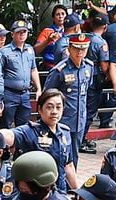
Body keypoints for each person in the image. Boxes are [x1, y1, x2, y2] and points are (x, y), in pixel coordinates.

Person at [0, 89, 76, 192]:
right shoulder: (31, 131)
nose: (54, 111)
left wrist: (76, 191)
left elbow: (68, 165)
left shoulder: (65, 132)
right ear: (40, 109)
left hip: (60, 193)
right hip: (36, 193)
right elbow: (10, 135)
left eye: (58, 107)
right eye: (49, 107)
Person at [44, 33, 95, 170]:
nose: (80, 52)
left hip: (79, 120)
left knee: (74, 155)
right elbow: (47, 96)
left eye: (83, 49)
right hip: (62, 121)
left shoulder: (89, 67)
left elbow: (86, 90)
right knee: (58, 154)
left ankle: (71, 186)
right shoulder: (59, 70)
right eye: (76, 48)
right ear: (69, 49)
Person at [80, 15, 111, 155]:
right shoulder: (101, 43)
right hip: (95, 78)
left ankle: (80, 137)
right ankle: (81, 139)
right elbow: (104, 66)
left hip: (83, 75)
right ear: (105, 27)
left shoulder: (85, 37)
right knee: (90, 111)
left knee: (82, 108)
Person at [1, 20, 40, 128]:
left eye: (24, 31)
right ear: (12, 34)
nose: (22, 34)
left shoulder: (30, 49)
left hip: (25, 94)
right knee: (5, 125)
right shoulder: (4, 51)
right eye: (19, 32)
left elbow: (33, 69)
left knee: (24, 126)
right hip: (9, 93)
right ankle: (4, 145)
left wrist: (39, 88)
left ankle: (20, 145)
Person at [34, 4, 68, 69]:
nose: (60, 16)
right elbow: (36, 50)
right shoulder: (47, 31)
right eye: (57, 14)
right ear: (53, 17)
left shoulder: (70, 30)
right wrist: (48, 41)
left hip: (67, 67)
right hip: (50, 67)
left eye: (63, 14)